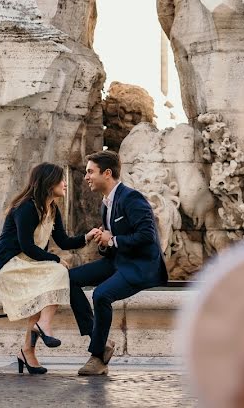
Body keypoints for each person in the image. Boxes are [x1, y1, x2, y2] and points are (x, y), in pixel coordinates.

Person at [0, 163, 100, 375]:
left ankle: (27, 351)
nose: (65, 183)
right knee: (59, 273)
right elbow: (26, 246)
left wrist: (87, 236)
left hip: (29, 262)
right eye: (61, 179)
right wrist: (54, 260)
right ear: (49, 182)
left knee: (48, 290)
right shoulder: (26, 207)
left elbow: (63, 241)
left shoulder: (51, 208)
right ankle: (44, 326)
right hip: (10, 264)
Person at [69, 150, 169, 376]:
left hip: (139, 265)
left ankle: (97, 357)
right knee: (70, 278)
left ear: (107, 173)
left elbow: (147, 236)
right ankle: (99, 340)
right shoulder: (106, 203)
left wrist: (112, 239)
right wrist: (104, 243)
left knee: (101, 295)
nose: (86, 177)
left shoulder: (131, 198)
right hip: (118, 260)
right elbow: (112, 243)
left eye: (90, 172)